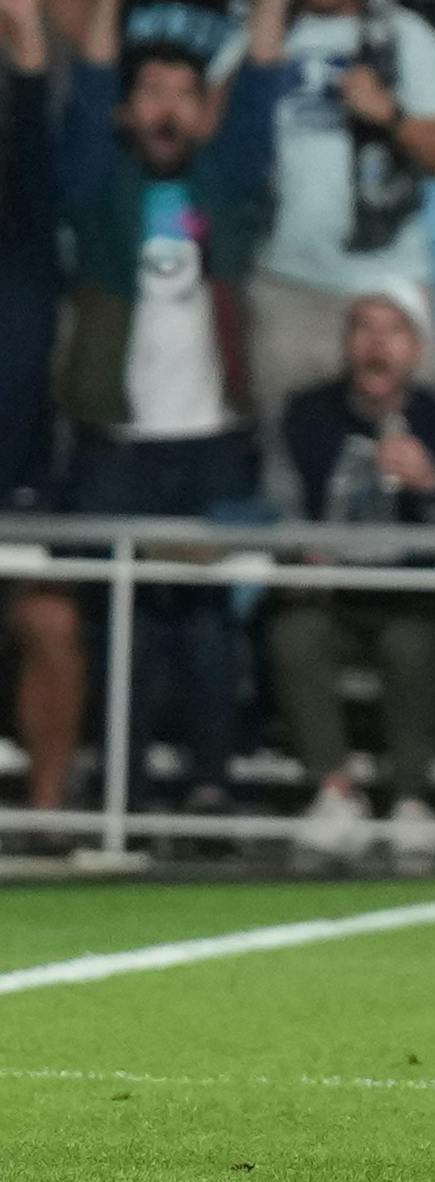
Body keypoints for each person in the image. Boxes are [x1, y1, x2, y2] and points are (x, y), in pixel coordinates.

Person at [57, 0, 289, 821]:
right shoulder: (95, 183)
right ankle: (122, 791)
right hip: (116, 449)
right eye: (149, 91)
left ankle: (211, 792)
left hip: (209, 448)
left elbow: (261, 82)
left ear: (204, 113)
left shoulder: (224, 186)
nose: (163, 107)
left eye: (183, 93)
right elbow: (87, 84)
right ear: (128, 111)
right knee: (123, 632)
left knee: (204, 631)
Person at [266, 286, 435, 874]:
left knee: (410, 646)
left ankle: (411, 801)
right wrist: (299, 544)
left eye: (393, 332)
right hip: (329, 593)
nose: (376, 345)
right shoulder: (305, 413)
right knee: (296, 637)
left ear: (415, 348)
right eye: (363, 328)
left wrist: (430, 485)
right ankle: (335, 795)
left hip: (414, 597)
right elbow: (277, 504)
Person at [240, 0, 435, 431]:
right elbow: (210, 137)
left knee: (412, 449)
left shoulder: (406, 35)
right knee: (288, 455)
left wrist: (389, 114)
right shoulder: (261, 33)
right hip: (287, 288)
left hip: (390, 288)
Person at [1, 0, 85, 840]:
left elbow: (34, 159)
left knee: (53, 622)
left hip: (16, 510)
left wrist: (28, 50)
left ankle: (49, 821)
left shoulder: (21, 273)